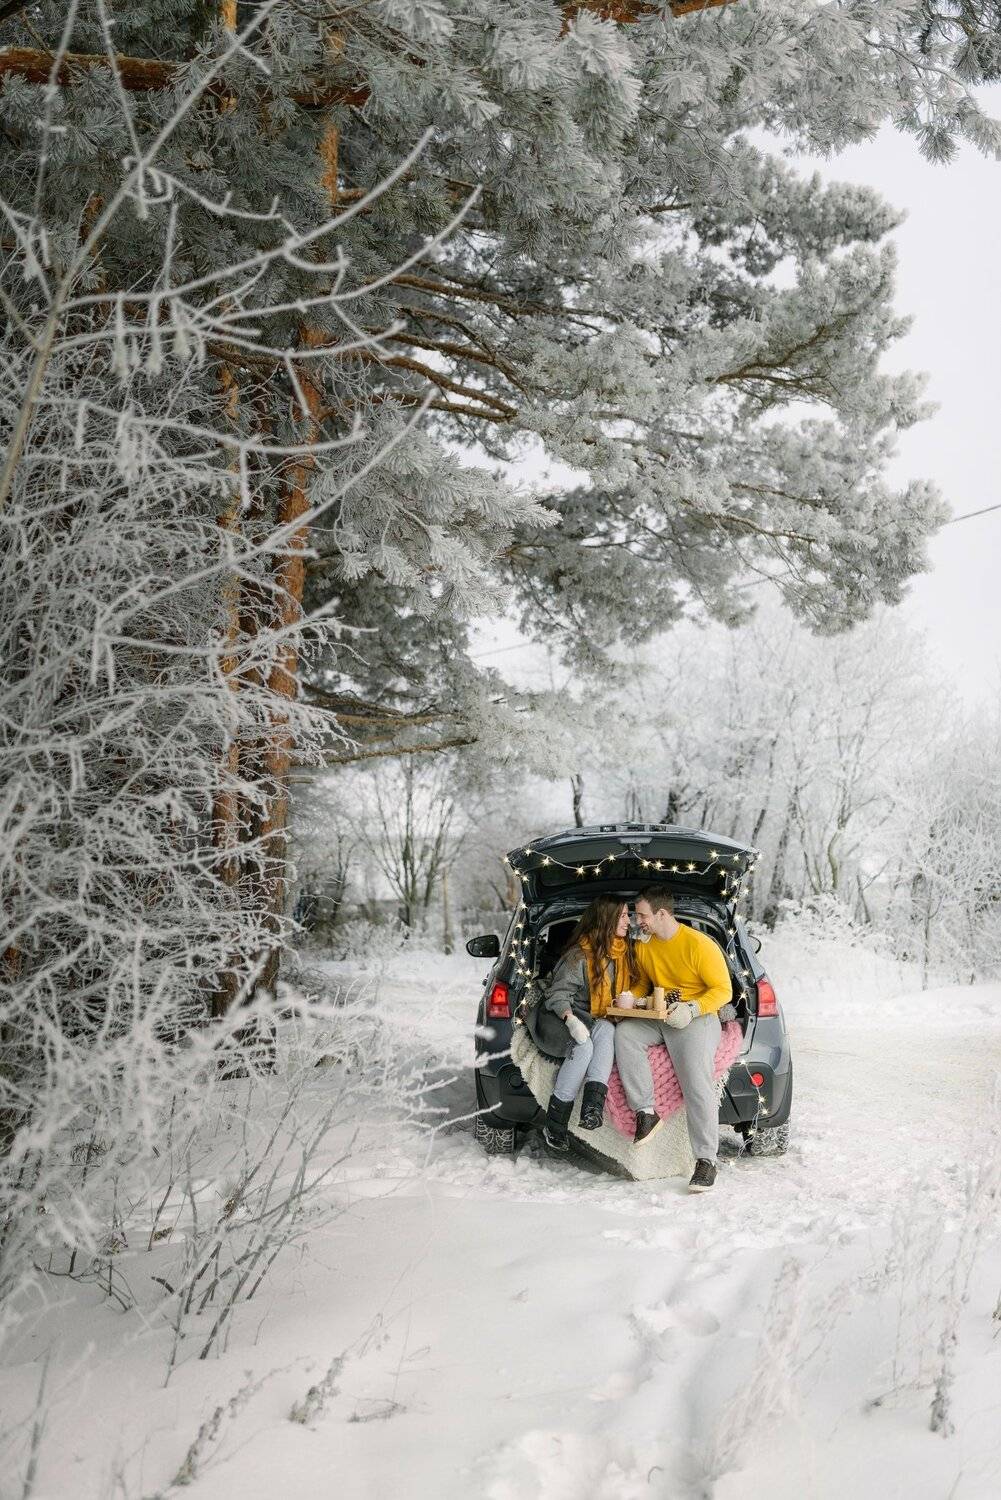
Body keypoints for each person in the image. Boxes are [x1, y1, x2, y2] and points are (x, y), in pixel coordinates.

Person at [613, 886, 732, 1191]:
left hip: (697, 1018)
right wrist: (630, 997)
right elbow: (644, 982)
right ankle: (646, 1113)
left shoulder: (700, 945)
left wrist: (692, 1009)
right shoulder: (645, 946)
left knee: (696, 1081)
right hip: (661, 1017)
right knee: (625, 1034)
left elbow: (724, 991)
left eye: (642, 915)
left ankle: (706, 1160)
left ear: (662, 914)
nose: (638, 921)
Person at [530, 895, 641, 1155]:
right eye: (623, 916)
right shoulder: (579, 956)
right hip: (560, 1015)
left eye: (628, 915)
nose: (628, 921)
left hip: (594, 1017)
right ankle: (554, 1126)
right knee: (583, 1047)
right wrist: (571, 1021)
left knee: (607, 1029)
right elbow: (558, 995)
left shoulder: (625, 953)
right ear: (607, 919)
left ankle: (592, 1108)